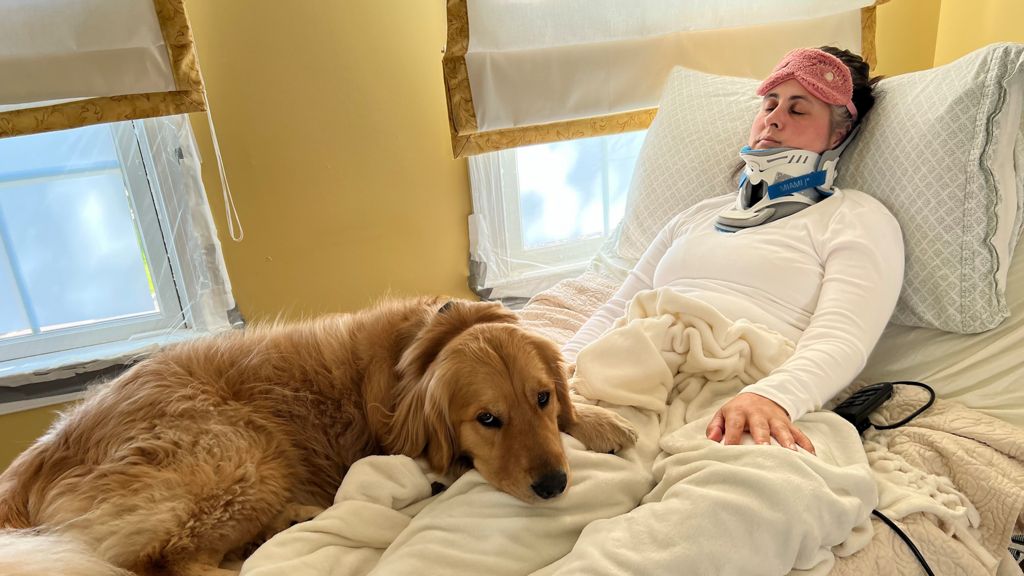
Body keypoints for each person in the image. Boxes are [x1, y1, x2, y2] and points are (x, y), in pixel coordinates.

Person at [563, 46, 902, 456]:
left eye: (798, 110)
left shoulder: (857, 216)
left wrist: (774, 397)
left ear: (838, 134)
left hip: (743, 394)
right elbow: (618, 305)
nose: (773, 117)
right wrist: (558, 372)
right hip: (630, 372)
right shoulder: (696, 215)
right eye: (770, 104)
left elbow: (842, 338)